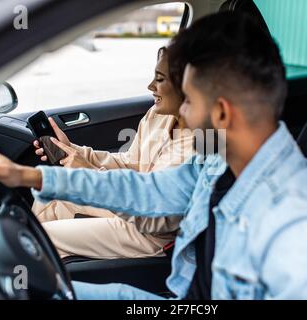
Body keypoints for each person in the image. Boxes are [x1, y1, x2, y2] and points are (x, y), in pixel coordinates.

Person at [0, 11, 307, 299]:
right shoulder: (217, 160)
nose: (180, 112)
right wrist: (28, 177)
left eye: (190, 101)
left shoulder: (302, 227)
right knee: (36, 287)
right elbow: (144, 188)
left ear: (221, 112)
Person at [30, 46, 194, 259]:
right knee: (51, 194)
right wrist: (75, 151)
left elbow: (159, 218)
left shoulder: (202, 143)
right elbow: (131, 162)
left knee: (45, 237)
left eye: (160, 79)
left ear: (189, 85)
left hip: (154, 232)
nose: (150, 86)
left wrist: (89, 173)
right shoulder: (158, 115)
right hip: (130, 203)